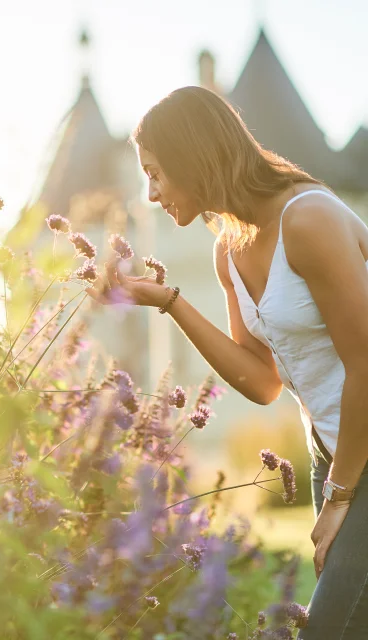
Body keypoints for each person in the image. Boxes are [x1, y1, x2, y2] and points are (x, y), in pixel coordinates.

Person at [87, 85, 368, 639]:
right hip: (333, 451)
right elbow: (262, 380)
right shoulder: (229, 252)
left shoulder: (307, 219)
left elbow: (366, 363)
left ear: (195, 157)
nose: (149, 193)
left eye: (157, 173)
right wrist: (167, 302)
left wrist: (339, 497)